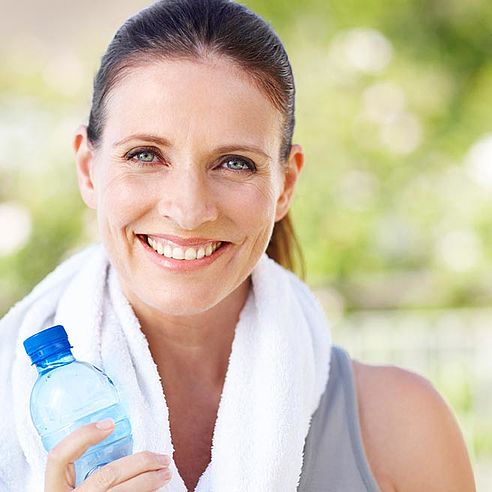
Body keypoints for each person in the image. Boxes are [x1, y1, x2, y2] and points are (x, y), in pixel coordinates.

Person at [0, 0, 476, 491]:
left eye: (234, 163)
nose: (187, 210)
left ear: (285, 186)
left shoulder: (402, 428)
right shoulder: (7, 409)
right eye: (146, 155)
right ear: (87, 169)